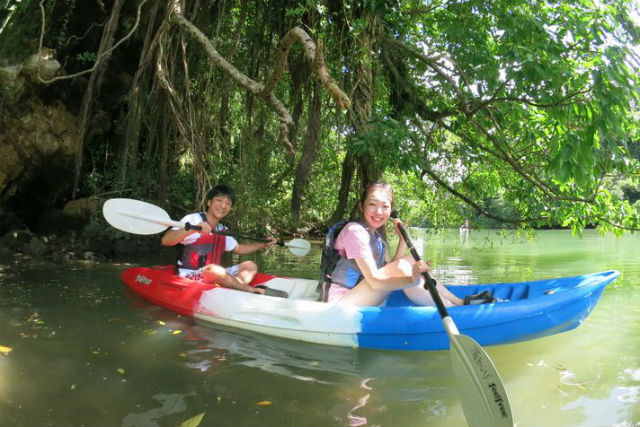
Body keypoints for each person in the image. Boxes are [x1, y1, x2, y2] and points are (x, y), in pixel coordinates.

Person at [327, 182, 487, 307]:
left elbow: (389, 267)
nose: (379, 212)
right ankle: (451, 309)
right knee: (405, 266)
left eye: (385, 206)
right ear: (362, 206)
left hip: (362, 293)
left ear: (390, 211)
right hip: (343, 300)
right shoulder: (355, 232)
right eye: (372, 204)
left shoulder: (374, 235)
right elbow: (376, 281)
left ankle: (458, 302)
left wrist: (402, 241)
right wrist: (411, 280)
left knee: (408, 260)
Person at [161, 184, 278, 295]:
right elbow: (166, 240)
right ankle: (252, 291)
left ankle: (232, 286)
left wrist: (264, 244)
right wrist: (193, 230)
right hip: (189, 275)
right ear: (209, 202)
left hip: (214, 274)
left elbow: (239, 248)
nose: (223, 206)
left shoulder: (222, 229)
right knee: (215, 270)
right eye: (219, 200)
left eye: (228, 203)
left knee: (251, 266)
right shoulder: (193, 219)